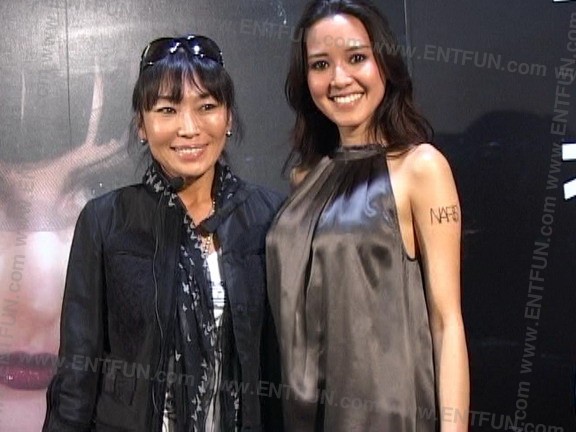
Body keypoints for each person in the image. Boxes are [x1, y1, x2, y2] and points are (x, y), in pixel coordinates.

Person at [43, 34, 283, 431]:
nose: (189, 128)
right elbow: (77, 373)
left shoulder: (271, 217)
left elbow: (287, 368)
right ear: (142, 124)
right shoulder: (105, 220)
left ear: (229, 118)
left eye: (207, 107)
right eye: (167, 110)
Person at [266, 1, 469, 431]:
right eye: (321, 64)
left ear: (384, 64)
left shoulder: (421, 168)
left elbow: (446, 322)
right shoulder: (305, 178)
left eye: (356, 57)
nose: (339, 79)